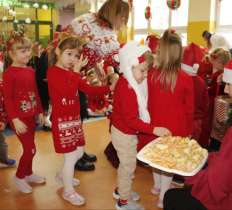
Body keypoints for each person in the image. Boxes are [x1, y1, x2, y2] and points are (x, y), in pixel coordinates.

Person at [164, 50, 232, 210]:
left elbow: (214, 188)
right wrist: (206, 158)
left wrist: (186, 170)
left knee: (171, 197)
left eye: (229, 85)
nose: (227, 90)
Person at [47, 32, 116, 206]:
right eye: (69, 54)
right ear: (58, 51)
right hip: (63, 123)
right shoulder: (53, 72)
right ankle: (68, 191)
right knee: (70, 158)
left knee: (78, 153)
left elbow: (90, 90)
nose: (72, 59)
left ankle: (63, 175)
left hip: (74, 121)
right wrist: (77, 72)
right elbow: (69, 93)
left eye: (76, 56)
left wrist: (111, 87)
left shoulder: (72, 73)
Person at [62, 0, 130, 171]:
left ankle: (79, 151)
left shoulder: (91, 18)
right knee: (72, 118)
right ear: (114, 14)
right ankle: (74, 157)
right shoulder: (105, 32)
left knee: (80, 114)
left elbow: (87, 47)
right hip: (66, 75)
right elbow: (118, 56)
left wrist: (95, 65)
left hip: (70, 71)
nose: (122, 24)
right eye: (122, 19)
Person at [111, 40, 171, 210]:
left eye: (147, 71)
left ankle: (120, 190)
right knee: (128, 167)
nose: (145, 75)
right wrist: (154, 129)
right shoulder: (129, 89)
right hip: (124, 134)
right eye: (142, 70)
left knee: (125, 165)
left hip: (120, 131)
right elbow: (131, 120)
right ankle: (123, 201)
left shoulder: (124, 82)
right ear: (129, 66)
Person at [138, 29, 194, 208]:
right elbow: (190, 109)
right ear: (180, 54)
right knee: (167, 160)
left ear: (160, 51)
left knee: (156, 156)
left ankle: (157, 186)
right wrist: (190, 131)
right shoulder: (186, 78)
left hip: (154, 121)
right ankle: (163, 195)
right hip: (175, 124)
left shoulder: (151, 74)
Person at [3, 26, 45, 194]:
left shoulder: (29, 70)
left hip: (30, 116)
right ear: (12, 54)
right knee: (30, 149)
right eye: (22, 51)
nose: (27, 54)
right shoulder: (9, 74)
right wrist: (14, 119)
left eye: (28, 50)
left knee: (31, 147)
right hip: (18, 119)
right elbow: (8, 99)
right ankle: (19, 177)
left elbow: (35, 92)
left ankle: (28, 173)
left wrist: (40, 111)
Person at [199, 48, 231, 152]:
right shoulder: (227, 73)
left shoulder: (219, 75)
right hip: (225, 105)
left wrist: (205, 90)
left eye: (212, 63)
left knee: (213, 127)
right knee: (220, 129)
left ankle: (213, 148)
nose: (211, 65)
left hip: (216, 105)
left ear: (218, 61)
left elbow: (213, 91)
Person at [181, 43, 209, 141]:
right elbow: (205, 105)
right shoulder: (201, 82)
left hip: (183, 122)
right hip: (197, 122)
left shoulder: (179, 81)